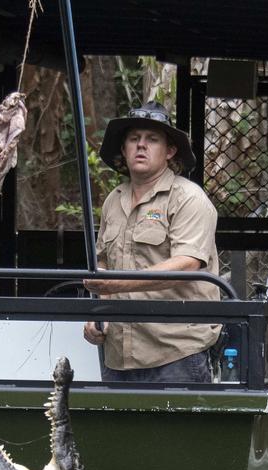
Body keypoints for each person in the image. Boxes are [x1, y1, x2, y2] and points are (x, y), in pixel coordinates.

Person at [82, 101, 221, 383]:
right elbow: (103, 262)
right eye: (134, 139)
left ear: (170, 151)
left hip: (176, 353)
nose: (141, 145)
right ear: (123, 149)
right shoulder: (113, 200)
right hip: (119, 355)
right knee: (116, 429)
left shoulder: (187, 198)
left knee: (173, 430)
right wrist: (98, 313)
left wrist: (115, 284)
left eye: (152, 139)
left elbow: (187, 265)